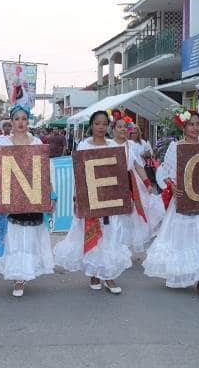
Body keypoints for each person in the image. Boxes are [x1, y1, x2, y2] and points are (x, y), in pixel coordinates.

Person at [143, 111, 199, 296]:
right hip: (182, 200)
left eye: (198, 124)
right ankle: (181, 273)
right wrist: (172, 187)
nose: (195, 128)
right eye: (191, 124)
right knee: (183, 238)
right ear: (184, 127)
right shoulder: (176, 147)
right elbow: (164, 173)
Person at [53, 111, 131, 294]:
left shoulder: (113, 145)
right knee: (93, 234)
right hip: (90, 198)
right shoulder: (83, 145)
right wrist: (77, 197)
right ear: (91, 125)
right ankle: (94, 273)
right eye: (97, 123)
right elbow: (79, 174)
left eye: (104, 124)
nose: (101, 127)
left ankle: (109, 275)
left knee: (110, 235)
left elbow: (120, 174)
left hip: (110, 198)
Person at [0, 105, 55, 297]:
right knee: (14, 235)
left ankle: (23, 275)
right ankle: (18, 276)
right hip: (10, 196)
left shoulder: (36, 142)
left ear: (28, 121)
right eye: (16, 119)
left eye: (24, 119)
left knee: (29, 236)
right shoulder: (2, 142)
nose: (20, 122)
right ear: (11, 121)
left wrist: (51, 193)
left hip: (31, 196)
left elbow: (43, 172)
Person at [111, 115, 165, 252]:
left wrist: (147, 184)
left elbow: (138, 166)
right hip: (112, 184)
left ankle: (123, 247)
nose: (123, 130)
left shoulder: (132, 145)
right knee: (114, 216)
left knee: (129, 216)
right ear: (113, 129)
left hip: (130, 183)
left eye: (125, 127)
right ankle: (114, 246)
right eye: (119, 127)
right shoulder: (108, 145)